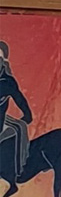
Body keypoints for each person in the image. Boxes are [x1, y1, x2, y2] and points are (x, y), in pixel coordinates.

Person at [0, 41, 33, 178]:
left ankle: (18, 170)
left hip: (0, 120)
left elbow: (20, 99)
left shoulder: (7, 82)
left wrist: (27, 115)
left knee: (20, 127)